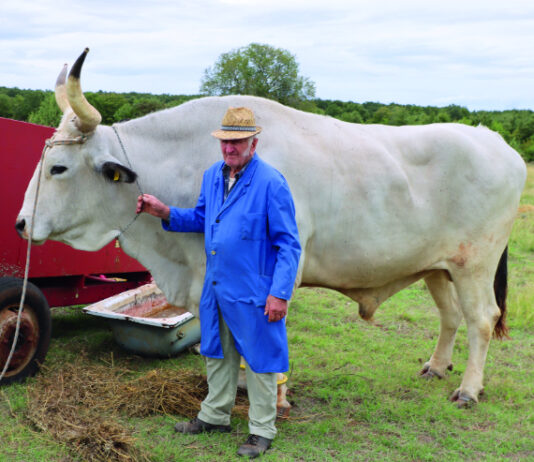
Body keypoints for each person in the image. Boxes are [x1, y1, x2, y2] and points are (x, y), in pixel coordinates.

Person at [136, 106, 301, 458]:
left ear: (253, 144)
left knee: (259, 361)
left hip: (255, 292)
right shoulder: (213, 176)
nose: (230, 148)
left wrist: (280, 293)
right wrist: (164, 212)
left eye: (238, 142)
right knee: (218, 355)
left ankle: (261, 430)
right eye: (225, 141)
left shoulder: (272, 183)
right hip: (217, 288)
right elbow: (202, 217)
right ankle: (214, 416)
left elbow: (288, 244)